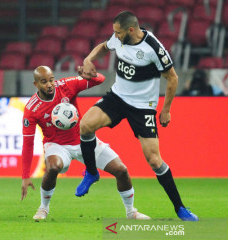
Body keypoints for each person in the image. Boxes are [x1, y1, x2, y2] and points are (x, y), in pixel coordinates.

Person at [76, 11, 198, 221]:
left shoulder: (153, 48)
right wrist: (88, 59)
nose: (114, 35)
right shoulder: (118, 38)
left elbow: (173, 79)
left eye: (118, 32)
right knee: (85, 125)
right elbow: (104, 47)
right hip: (118, 97)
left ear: (131, 30)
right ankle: (91, 172)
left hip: (143, 107)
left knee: (154, 160)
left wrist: (166, 110)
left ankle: (180, 208)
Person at [21, 65, 150, 220]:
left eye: (51, 80)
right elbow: (27, 144)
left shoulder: (66, 85)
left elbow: (100, 80)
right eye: (43, 82)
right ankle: (43, 208)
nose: (49, 84)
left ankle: (131, 212)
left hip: (84, 140)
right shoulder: (31, 108)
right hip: (57, 145)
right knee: (53, 167)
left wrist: (90, 74)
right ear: (36, 84)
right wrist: (25, 176)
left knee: (121, 170)